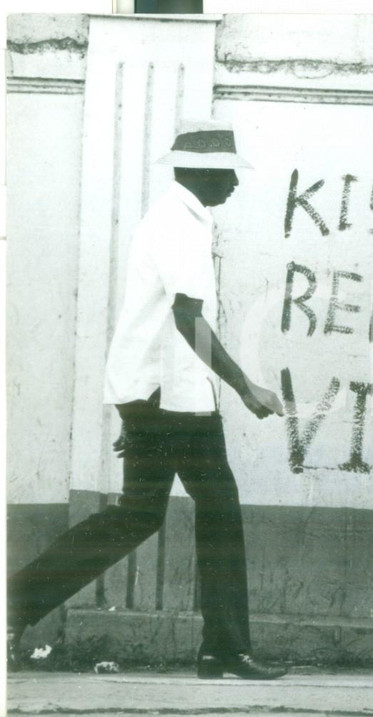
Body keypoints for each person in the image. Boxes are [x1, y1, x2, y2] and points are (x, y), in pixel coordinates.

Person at [7, 120, 287, 680]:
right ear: (200, 172)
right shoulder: (181, 224)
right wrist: (245, 386)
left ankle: (14, 607)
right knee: (214, 511)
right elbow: (186, 318)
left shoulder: (173, 218)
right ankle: (225, 649)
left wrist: (134, 406)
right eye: (227, 173)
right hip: (172, 400)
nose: (234, 184)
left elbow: (155, 319)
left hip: (160, 396)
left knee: (139, 514)